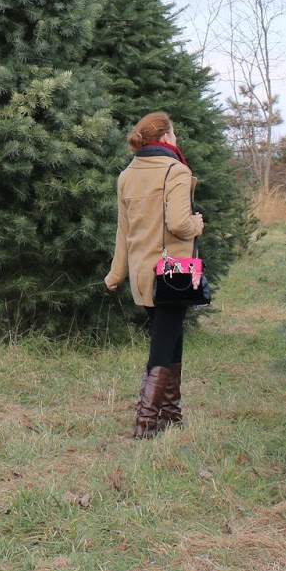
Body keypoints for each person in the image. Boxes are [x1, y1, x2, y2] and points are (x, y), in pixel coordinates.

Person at [105, 111, 204, 439]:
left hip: (141, 275)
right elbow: (179, 223)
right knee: (163, 344)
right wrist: (197, 225)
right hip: (173, 272)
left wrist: (116, 273)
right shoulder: (176, 170)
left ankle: (170, 414)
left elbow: (124, 231)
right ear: (164, 138)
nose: (176, 140)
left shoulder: (127, 175)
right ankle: (146, 423)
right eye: (173, 134)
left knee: (172, 337)